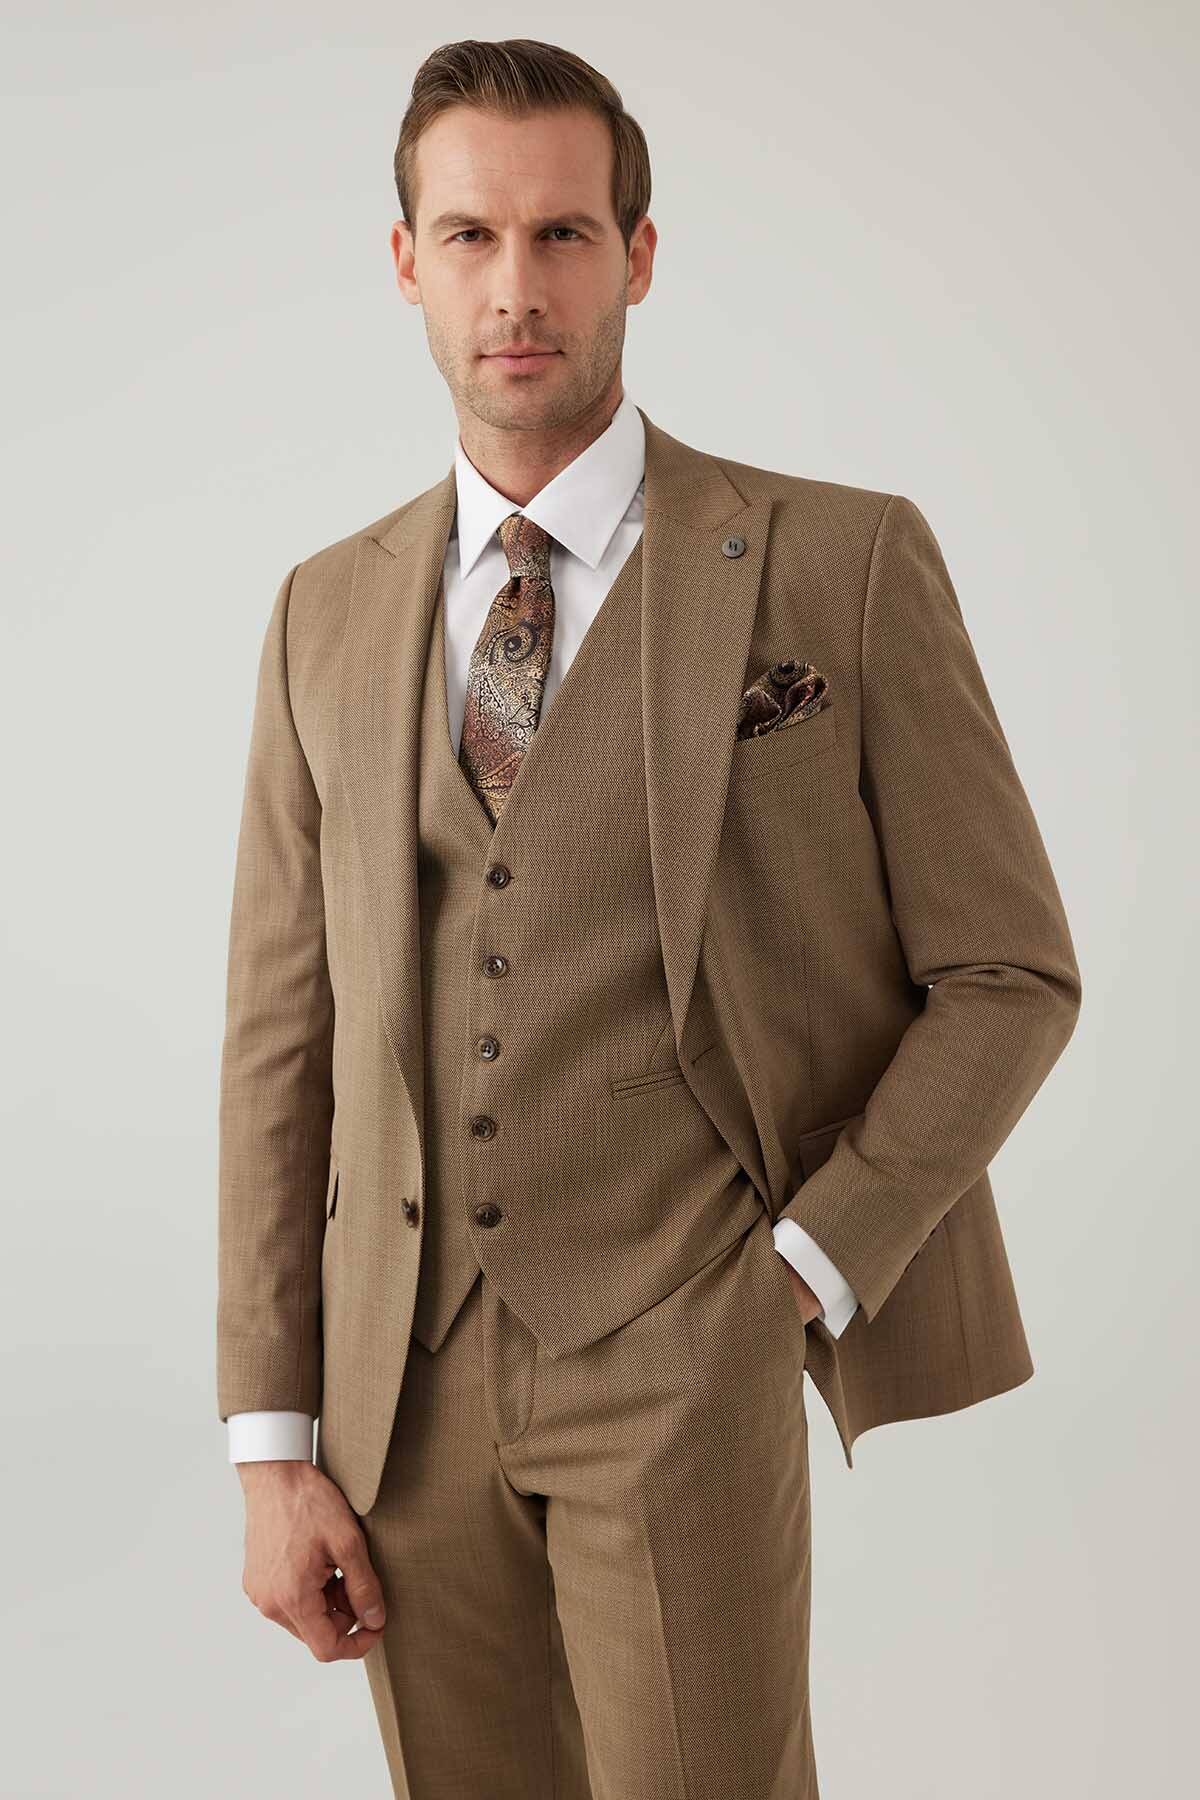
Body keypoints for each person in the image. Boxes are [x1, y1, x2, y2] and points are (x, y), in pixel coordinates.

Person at [217, 36, 1082, 1798]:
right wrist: (270, 1441)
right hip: (402, 1386)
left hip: (689, 1349)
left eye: (563, 234)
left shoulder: (839, 562)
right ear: (405, 262)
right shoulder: (325, 610)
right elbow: (278, 1046)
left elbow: (1009, 974)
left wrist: (805, 1272)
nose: (515, 289)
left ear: (640, 254)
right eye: (470, 237)